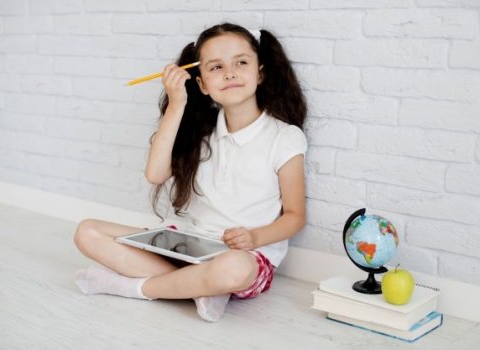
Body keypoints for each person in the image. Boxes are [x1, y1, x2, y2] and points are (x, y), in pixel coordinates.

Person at [73, 23, 307, 322]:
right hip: (191, 245)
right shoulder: (202, 134)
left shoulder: (284, 137)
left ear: (260, 73)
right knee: (88, 231)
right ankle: (201, 287)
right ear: (203, 85)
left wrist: (254, 236)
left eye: (241, 62)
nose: (230, 73)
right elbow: (156, 174)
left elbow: (295, 216)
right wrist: (176, 103)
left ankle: (133, 287)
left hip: (245, 255)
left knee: (232, 268)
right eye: (216, 67)